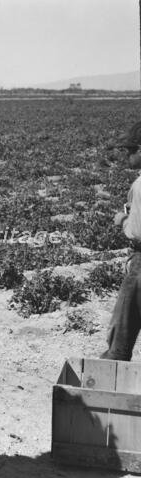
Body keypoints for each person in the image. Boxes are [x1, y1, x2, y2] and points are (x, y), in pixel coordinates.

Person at [101, 121, 141, 361]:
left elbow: (138, 232)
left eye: (130, 149)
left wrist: (123, 220)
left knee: (120, 340)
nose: (127, 155)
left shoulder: (139, 185)